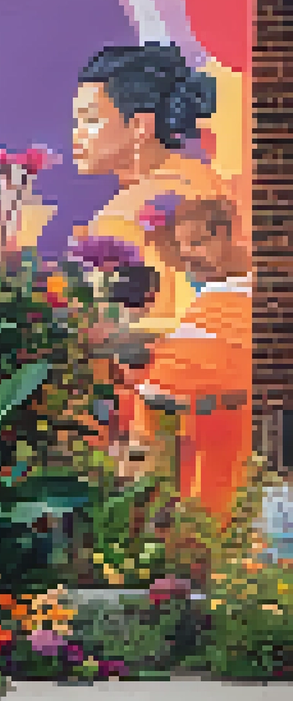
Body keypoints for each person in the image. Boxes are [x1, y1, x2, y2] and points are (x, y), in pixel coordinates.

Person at [71, 42, 221, 333]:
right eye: (76, 121)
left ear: (140, 125)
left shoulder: (124, 216)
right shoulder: (204, 180)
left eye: (90, 119)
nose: (76, 135)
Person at [135, 196, 254, 520]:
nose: (189, 255)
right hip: (205, 433)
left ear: (229, 235)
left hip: (226, 430)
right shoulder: (216, 293)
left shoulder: (234, 297)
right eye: (184, 247)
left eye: (198, 243)